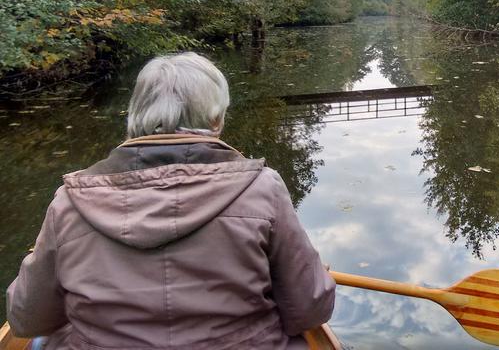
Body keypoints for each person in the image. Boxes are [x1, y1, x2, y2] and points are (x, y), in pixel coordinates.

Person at [6, 52, 335, 349]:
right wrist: (316, 276)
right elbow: (309, 310)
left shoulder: (69, 202)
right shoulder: (263, 189)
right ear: (216, 120)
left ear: (134, 118)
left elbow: (28, 320)